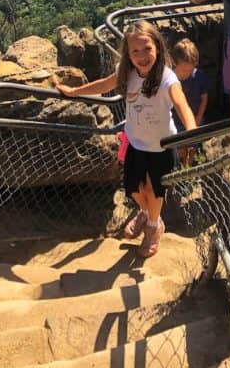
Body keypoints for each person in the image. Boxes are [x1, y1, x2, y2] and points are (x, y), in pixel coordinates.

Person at [56, 19, 196, 258]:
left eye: (147, 49)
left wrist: (192, 131)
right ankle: (149, 215)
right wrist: (74, 92)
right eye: (136, 51)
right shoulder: (127, 72)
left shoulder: (166, 77)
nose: (142, 56)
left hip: (161, 146)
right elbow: (105, 84)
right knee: (133, 189)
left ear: (158, 48)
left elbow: (181, 102)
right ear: (128, 54)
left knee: (154, 192)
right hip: (136, 142)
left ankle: (153, 228)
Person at [171, 37, 209, 164]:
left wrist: (198, 117)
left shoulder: (198, 76)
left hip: (195, 118)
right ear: (174, 62)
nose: (188, 73)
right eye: (185, 70)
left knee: (193, 144)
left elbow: (204, 98)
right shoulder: (169, 79)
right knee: (179, 148)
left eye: (191, 69)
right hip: (175, 122)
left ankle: (190, 168)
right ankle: (179, 169)